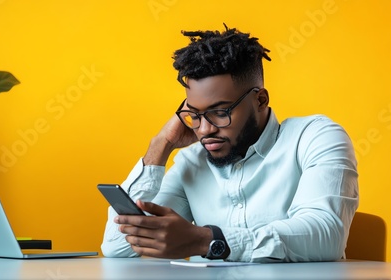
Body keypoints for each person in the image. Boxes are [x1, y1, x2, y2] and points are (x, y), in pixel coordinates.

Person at [101, 24, 359, 263]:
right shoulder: (192, 162)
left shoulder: (315, 137)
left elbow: (327, 234)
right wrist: (161, 145)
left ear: (260, 100)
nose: (204, 129)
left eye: (220, 112)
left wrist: (208, 241)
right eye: (195, 115)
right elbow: (116, 246)